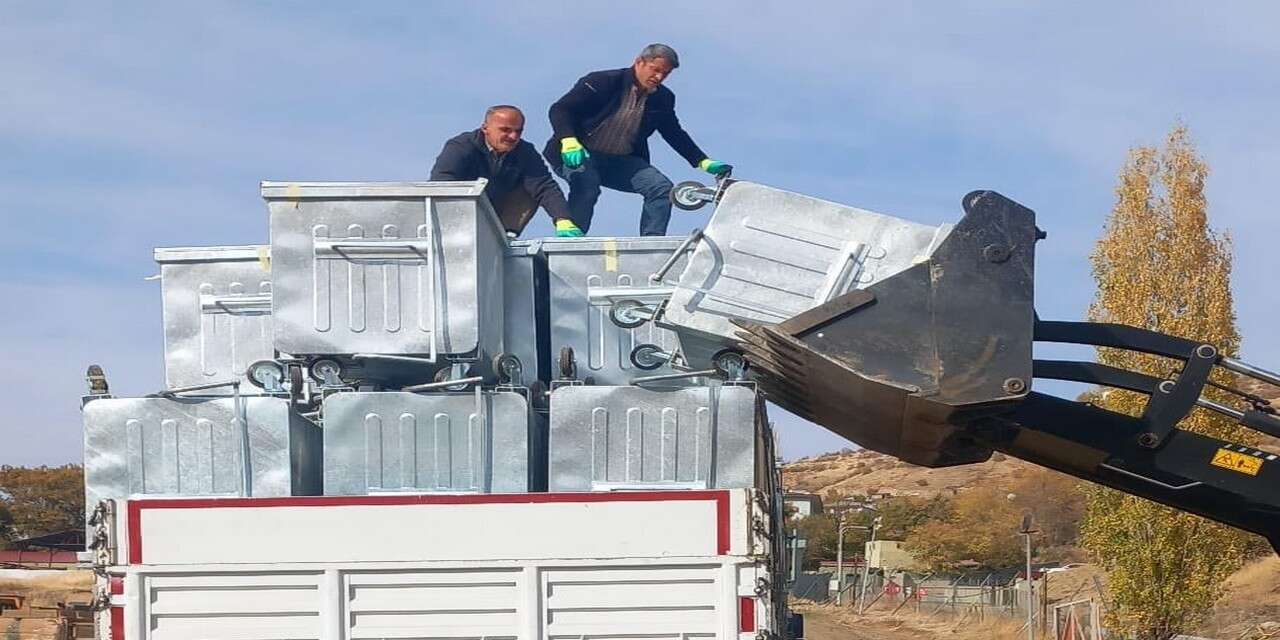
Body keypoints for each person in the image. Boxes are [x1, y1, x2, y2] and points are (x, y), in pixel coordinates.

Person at [543, 43, 731, 236]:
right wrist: (568, 140)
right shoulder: (602, 81)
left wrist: (701, 161)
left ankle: (652, 244)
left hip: (620, 161)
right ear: (639, 62)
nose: (659, 77)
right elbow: (561, 109)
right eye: (655, 70)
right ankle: (572, 241)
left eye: (665, 74)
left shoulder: (663, 98)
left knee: (661, 188)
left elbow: (673, 132)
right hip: (576, 154)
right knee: (586, 184)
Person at [431, 105, 583, 237]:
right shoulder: (461, 147)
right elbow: (441, 183)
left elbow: (545, 186)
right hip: (459, 215)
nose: (513, 136)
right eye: (505, 130)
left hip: (499, 215)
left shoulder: (525, 152)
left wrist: (563, 219)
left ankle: (506, 236)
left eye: (518, 131)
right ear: (485, 129)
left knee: (531, 189)